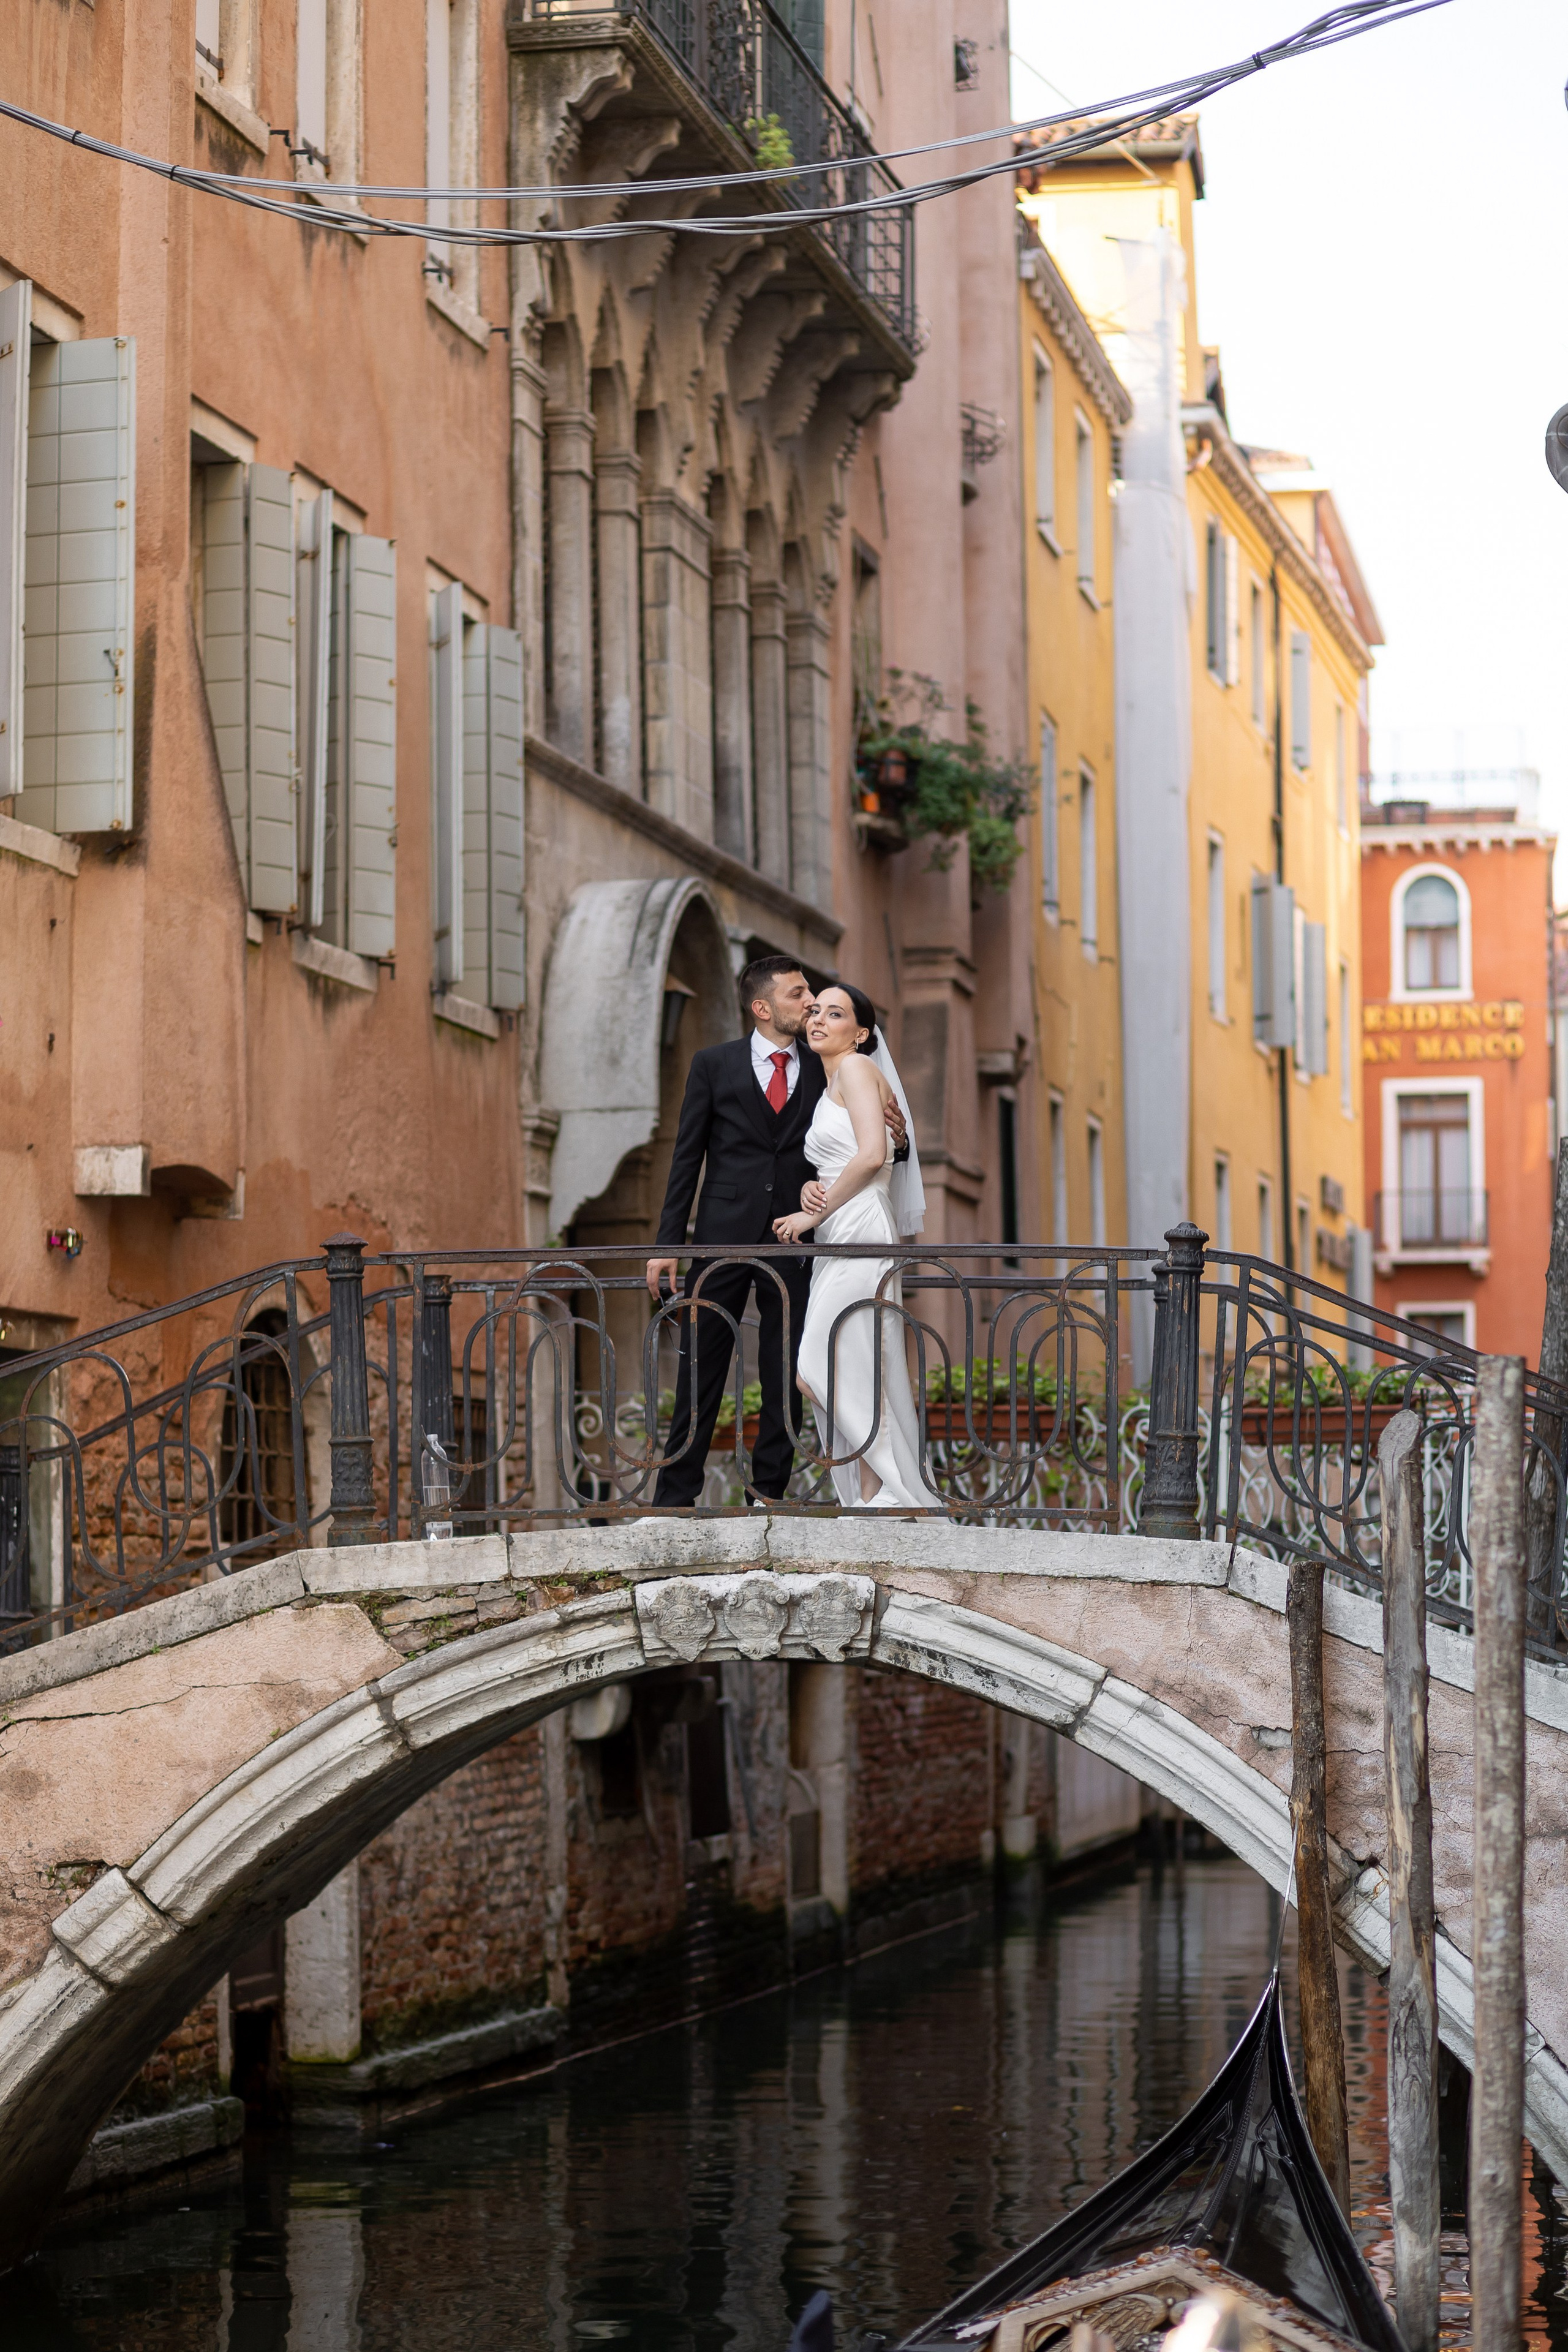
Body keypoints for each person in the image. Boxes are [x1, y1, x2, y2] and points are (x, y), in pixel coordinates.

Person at [646, 956, 905, 1507]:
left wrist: (898, 1139)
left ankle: (767, 1493)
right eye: (798, 995)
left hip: (801, 1237)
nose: (811, 1004)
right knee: (702, 1359)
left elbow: (873, 1142)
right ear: (762, 1008)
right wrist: (668, 1244)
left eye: (815, 997)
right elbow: (686, 1157)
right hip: (721, 1236)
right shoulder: (713, 1065)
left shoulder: (828, 1064)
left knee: (787, 1366)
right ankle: (674, 1498)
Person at [771, 982, 929, 1508]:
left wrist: (809, 1212)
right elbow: (845, 1160)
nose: (817, 1019)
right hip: (839, 1230)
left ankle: (892, 1484)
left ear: (860, 1033)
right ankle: (873, 1494)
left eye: (833, 1014)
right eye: (814, 1011)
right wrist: (811, 1188)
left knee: (815, 1368)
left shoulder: (858, 1070)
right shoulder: (832, 1082)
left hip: (860, 1227)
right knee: (855, 1362)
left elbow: (870, 1157)